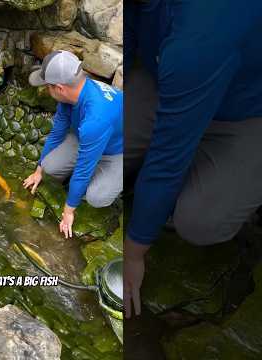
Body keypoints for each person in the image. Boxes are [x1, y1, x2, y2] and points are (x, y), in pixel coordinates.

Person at [124, 0, 262, 318]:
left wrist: (133, 251)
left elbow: (167, 159)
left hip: (246, 109)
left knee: (200, 220)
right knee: (114, 144)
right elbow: (131, 27)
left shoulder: (205, 25)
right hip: (166, 71)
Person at [23, 50, 123, 239]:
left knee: (97, 197)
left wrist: (68, 212)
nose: (46, 90)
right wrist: (39, 170)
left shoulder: (96, 117)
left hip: (118, 150)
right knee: (49, 167)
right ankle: (91, 164)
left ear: (59, 88)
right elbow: (56, 134)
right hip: (87, 138)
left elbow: (83, 170)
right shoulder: (71, 95)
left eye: (47, 86)